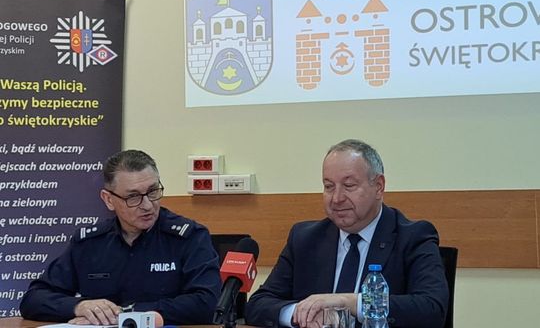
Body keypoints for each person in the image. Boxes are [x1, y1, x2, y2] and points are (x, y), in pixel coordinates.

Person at [245, 139, 449, 328]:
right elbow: (258, 304)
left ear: (379, 186)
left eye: (349, 186)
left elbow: (432, 309)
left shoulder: (413, 237)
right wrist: (300, 314)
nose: (336, 198)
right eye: (328, 186)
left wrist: (349, 302)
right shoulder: (305, 238)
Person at [20, 149, 221, 326]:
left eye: (153, 191)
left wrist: (127, 314)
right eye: (133, 197)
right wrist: (79, 306)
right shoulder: (89, 243)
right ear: (108, 200)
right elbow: (33, 299)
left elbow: (207, 304)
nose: (147, 205)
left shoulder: (189, 237)